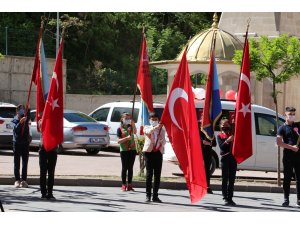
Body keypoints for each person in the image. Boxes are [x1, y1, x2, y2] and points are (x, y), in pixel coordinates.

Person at [276, 106, 300, 207]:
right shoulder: (282, 128)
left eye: (293, 114)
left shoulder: (298, 126)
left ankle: (299, 199)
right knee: (287, 178)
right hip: (288, 156)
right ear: (285, 114)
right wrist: (291, 147)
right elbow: (279, 142)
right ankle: (286, 199)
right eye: (290, 114)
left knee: (299, 178)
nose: (292, 116)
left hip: (298, 156)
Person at [143, 113, 166, 203]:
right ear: (149, 120)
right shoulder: (147, 127)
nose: (154, 121)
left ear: (158, 120)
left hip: (158, 153)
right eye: (152, 119)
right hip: (149, 152)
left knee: (157, 175)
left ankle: (155, 195)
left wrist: (161, 141)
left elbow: (164, 142)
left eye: (156, 119)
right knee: (149, 174)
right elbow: (148, 132)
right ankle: (148, 195)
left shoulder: (162, 130)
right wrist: (156, 127)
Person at [217, 118, 237, 206]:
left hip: (233, 159)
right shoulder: (219, 136)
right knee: (225, 179)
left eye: (227, 126)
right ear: (221, 127)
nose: (225, 127)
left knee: (232, 179)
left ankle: (230, 198)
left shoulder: (233, 134)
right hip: (225, 159)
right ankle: (225, 197)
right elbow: (222, 147)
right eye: (223, 126)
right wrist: (227, 141)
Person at [11, 104, 31, 188]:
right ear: (17, 111)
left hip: (25, 143)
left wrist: (28, 110)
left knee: (25, 162)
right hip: (17, 143)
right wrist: (20, 122)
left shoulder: (26, 118)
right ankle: (17, 180)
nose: (22, 111)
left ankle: (23, 180)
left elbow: (28, 124)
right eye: (20, 110)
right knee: (17, 162)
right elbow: (16, 129)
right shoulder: (14, 120)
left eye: (23, 109)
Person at [38, 119, 58, 200]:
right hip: (43, 148)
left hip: (53, 149)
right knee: (43, 171)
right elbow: (40, 128)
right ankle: (43, 193)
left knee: (51, 172)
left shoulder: (55, 119)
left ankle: (50, 193)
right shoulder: (41, 120)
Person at [117, 113, 137, 191]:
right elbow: (118, 141)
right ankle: (123, 184)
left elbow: (135, 132)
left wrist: (133, 124)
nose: (127, 119)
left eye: (129, 118)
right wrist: (126, 138)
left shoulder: (131, 127)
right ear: (122, 119)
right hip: (124, 150)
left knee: (130, 167)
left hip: (132, 149)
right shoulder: (120, 129)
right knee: (124, 167)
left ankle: (130, 184)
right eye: (126, 118)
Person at [199, 113, 216, 194]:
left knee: (207, 170)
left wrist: (209, 143)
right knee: (199, 169)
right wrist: (202, 141)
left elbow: (215, 143)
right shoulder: (199, 128)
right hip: (199, 151)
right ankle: (199, 185)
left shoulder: (210, 130)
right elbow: (195, 138)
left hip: (208, 152)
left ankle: (207, 186)